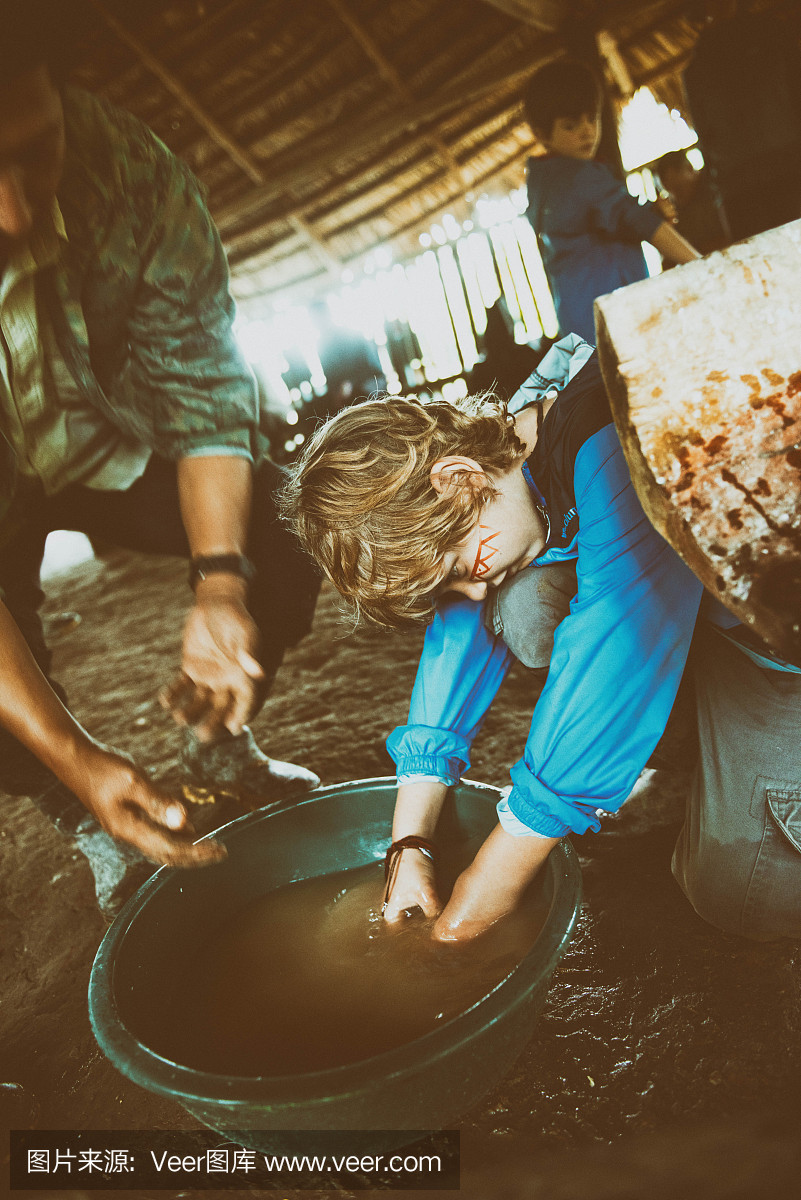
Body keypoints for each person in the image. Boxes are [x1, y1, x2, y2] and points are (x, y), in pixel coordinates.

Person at [282, 336, 801, 943]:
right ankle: (697, 758)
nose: (472, 594)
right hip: (710, 619)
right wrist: (410, 843)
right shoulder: (518, 441)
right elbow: (458, 640)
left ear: (456, 477)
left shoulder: (616, 440)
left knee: (737, 894)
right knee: (522, 605)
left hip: (776, 645)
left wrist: (473, 909)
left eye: (457, 568)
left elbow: (616, 649)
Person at [0, 3, 321, 913]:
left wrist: (219, 585)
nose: (17, 211)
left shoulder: (130, 170)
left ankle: (220, 752)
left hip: (110, 442)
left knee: (281, 528)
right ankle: (87, 817)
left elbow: (205, 389)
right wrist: (76, 759)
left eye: (38, 148)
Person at [522, 59, 700, 343]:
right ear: (542, 134)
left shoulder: (542, 182)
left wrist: (648, 214)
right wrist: (700, 264)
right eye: (570, 125)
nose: (587, 131)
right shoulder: (578, 176)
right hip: (619, 324)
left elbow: (596, 225)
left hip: (581, 327)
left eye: (592, 119)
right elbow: (639, 222)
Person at [654, 150, 730, 256]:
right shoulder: (679, 209)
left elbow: (725, 240)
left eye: (679, 189)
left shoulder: (716, 193)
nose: (677, 199)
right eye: (671, 194)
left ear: (690, 169)